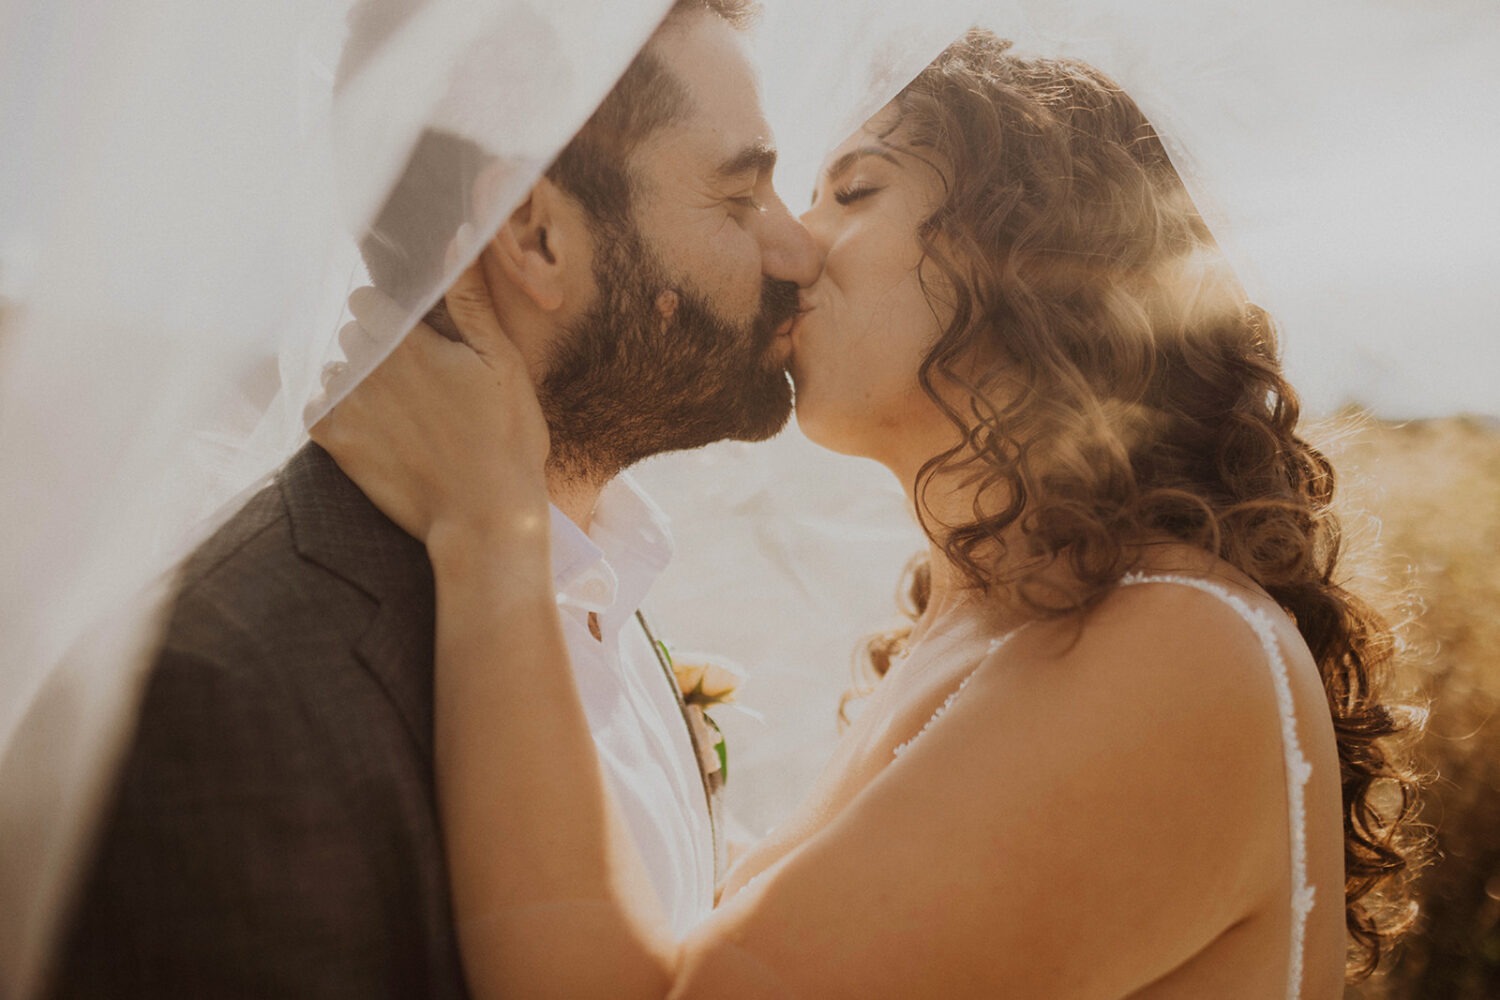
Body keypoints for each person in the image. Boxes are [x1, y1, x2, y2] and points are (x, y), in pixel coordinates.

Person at [312, 29, 1427, 999]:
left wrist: (487, 523)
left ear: (1024, 258)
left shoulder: (1175, 652)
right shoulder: (990, 620)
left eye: (854, 192)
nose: (790, 250)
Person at [44, 1, 819, 995]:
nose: (799, 251)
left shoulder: (603, 575)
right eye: (741, 195)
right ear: (536, 237)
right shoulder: (230, 687)